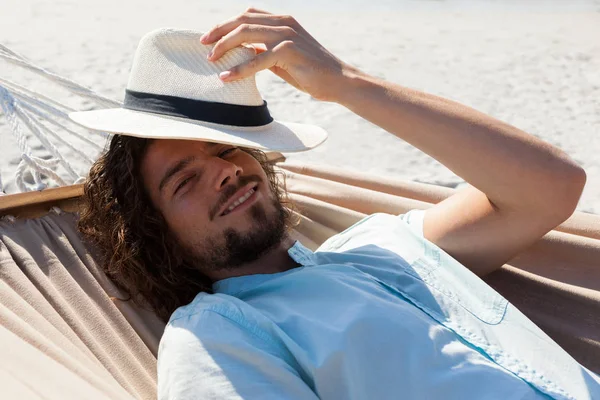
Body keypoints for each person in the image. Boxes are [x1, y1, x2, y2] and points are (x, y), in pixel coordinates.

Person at [73, 8, 600, 400]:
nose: (227, 169)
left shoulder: (384, 244)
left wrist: (346, 85)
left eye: (228, 148)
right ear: (154, 234)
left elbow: (552, 187)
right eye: (184, 181)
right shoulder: (217, 335)